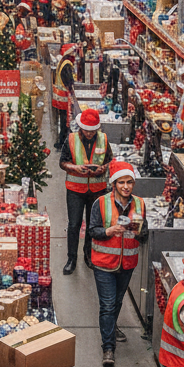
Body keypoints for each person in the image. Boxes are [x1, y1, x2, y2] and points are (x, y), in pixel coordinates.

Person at [89, 161, 146, 366]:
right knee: (107, 305)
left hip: (127, 264)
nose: (126, 186)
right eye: (121, 182)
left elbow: (144, 234)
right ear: (114, 184)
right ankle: (108, 348)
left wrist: (139, 232)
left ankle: (110, 329)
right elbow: (92, 231)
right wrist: (109, 231)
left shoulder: (140, 204)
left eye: (129, 182)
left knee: (117, 302)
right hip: (104, 264)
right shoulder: (101, 203)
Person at [60, 108, 113, 275]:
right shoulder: (71, 139)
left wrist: (103, 169)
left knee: (93, 225)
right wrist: (76, 168)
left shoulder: (104, 140)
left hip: (97, 190)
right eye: (86, 130)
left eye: (92, 131)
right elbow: (63, 162)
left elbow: (110, 161)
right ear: (81, 127)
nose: (89, 134)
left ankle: (88, 255)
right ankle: (71, 258)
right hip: (75, 189)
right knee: (74, 224)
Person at [51, 44, 77, 149]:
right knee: (64, 121)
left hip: (58, 96)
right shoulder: (67, 64)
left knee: (61, 120)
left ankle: (61, 141)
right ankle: (62, 142)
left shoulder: (62, 61)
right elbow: (69, 81)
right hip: (63, 98)